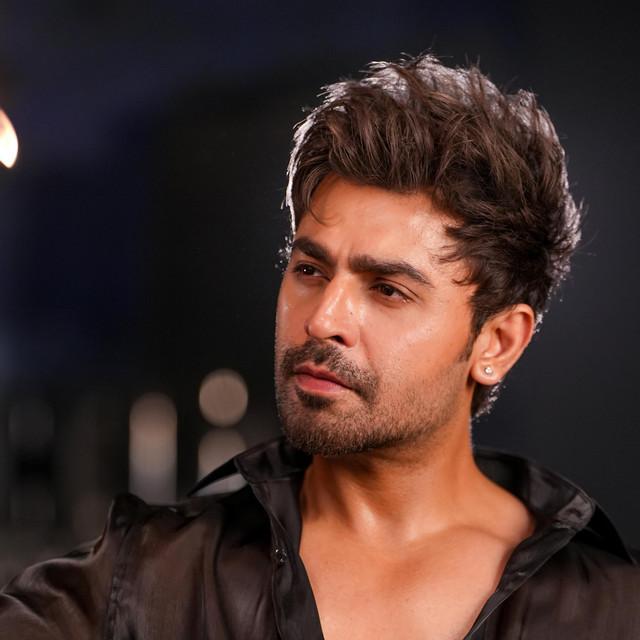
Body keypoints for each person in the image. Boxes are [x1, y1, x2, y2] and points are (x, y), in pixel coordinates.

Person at [0, 53, 638, 640]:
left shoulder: (609, 610)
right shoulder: (146, 581)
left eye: (387, 290)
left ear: (496, 342)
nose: (324, 318)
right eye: (309, 270)